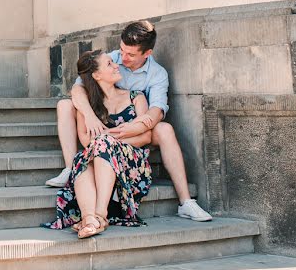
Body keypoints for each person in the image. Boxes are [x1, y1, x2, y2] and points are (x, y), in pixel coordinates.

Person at [45, 20, 213, 222]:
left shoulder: (157, 74)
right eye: (122, 50)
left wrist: (133, 127)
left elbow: (157, 111)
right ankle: (70, 167)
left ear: (147, 54)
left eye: (130, 55)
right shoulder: (111, 59)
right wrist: (89, 115)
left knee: (165, 129)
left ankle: (186, 202)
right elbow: (78, 89)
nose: (122, 58)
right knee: (65, 105)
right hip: (102, 130)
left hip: (135, 128)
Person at [43, 50, 152, 237]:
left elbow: (146, 137)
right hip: (100, 160)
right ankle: (90, 219)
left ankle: (101, 214)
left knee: (102, 144)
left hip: (132, 165)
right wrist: (104, 141)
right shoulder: (88, 105)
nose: (117, 65)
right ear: (96, 75)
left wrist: (110, 140)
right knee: (82, 159)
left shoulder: (136, 96)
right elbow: (85, 140)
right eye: (109, 64)